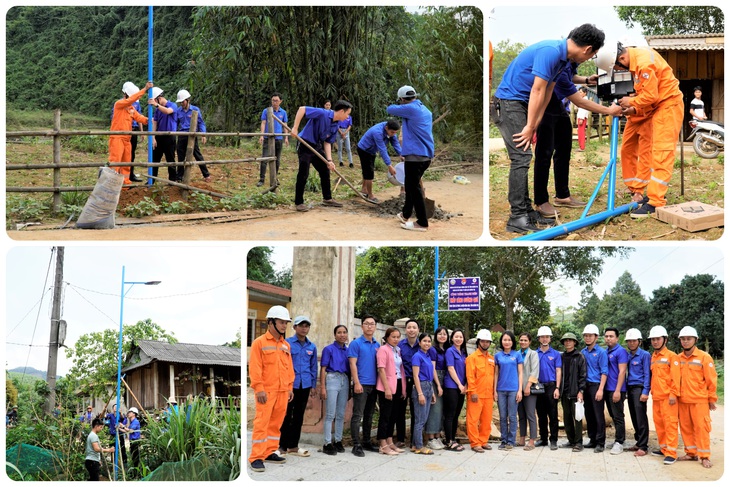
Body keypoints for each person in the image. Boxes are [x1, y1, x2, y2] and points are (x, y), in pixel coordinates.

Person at [493, 24, 606, 233]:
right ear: (587, 49)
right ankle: (517, 216)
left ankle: (526, 211)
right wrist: (528, 126)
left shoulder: (563, 59)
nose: (588, 59)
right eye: (592, 56)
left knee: (524, 156)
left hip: (522, 103)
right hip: (509, 101)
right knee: (521, 157)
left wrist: (534, 124)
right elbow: (536, 89)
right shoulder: (551, 51)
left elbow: (547, 91)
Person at [596, 40, 684, 217]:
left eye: (618, 68)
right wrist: (635, 108)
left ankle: (656, 202)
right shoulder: (638, 59)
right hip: (658, 106)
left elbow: (651, 96)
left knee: (662, 152)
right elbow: (649, 92)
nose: (620, 72)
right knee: (646, 151)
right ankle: (650, 195)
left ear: (621, 58)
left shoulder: (644, 63)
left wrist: (632, 101)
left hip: (668, 106)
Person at [533, 64, 623, 217]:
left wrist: (587, 79)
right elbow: (579, 101)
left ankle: (562, 195)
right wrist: (609, 110)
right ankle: (541, 201)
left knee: (564, 149)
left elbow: (571, 77)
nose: (589, 59)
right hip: (544, 103)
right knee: (544, 153)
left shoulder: (571, 62)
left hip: (557, 104)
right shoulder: (560, 63)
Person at [248, 305, 294, 473]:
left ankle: (269, 452)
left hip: (282, 391)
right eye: (281, 322)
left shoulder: (285, 345)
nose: (284, 326)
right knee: (262, 423)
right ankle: (256, 457)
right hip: (266, 392)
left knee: (276, 424)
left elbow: (289, 368)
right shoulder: (259, 343)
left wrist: (289, 387)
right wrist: (258, 388)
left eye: (286, 323)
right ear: (271, 322)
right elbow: (255, 368)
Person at [387, 85, 435, 232]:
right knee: (411, 185)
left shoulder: (411, 108)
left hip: (416, 156)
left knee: (413, 188)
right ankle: (405, 214)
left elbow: (390, 109)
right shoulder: (425, 109)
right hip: (425, 155)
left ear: (402, 99)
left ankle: (422, 222)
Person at [290, 100, 353, 212]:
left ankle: (327, 198)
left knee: (325, 169)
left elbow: (328, 142)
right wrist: (295, 128)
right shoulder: (323, 113)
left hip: (317, 146)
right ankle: (299, 202)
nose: (348, 117)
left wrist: (329, 160)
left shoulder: (335, 124)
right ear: (342, 111)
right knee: (304, 173)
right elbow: (302, 109)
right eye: (347, 114)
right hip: (305, 143)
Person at [677, 326, 717, 469]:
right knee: (686, 428)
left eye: (689, 339)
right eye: (683, 339)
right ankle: (691, 452)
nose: (686, 342)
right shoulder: (678, 358)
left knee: (701, 428)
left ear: (695, 340)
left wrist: (712, 398)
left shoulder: (704, 357)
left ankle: (704, 456)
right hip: (683, 400)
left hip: (699, 400)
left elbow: (711, 379)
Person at [279, 315, 318, 457]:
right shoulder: (287, 343)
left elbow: (314, 367)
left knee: (299, 416)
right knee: (286, 415)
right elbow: (283, 365)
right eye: (301, 325)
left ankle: (293, 446)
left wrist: (313, 385)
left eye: (306, 326)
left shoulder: (311, 346)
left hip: (305, 385)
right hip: (290, 386)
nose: (304, 328)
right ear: (295, 327)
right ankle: (282, 446)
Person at [347, 314, 380, 456]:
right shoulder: (356, 344)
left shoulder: (377, 344)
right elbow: (352, 364)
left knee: (369, 415)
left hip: (374, 385)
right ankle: (356, 444)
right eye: (367, 324)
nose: (369, 326)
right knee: (357, 415)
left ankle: (366, 441)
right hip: (361, 384)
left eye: (372, 324)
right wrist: (356, 382)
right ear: (362, 326)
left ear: (375, 327)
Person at [648, 325, 680, 465]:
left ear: (665, 340)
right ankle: (664, 448)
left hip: (668, 398)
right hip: (657, 397)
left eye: (658, 339)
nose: (655, 342)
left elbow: (676, 377)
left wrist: (673, 394)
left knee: (670, 424)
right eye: (653, 339)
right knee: (659, 424)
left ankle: (672, 453)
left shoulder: (672, 356)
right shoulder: (653, 357)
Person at [109, 81, 152, 185]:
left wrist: (150, 120)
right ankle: (112, 184)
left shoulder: (131, 108)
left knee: (126, 163)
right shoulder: (119, 104)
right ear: (126, 94)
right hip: (117, 138)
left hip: (127, 139)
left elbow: (139, 117)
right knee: (115, 161)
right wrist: (144, 89)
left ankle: (125, 183)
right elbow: (132, 99)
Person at [375, 327, 407, 455]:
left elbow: (401, 370)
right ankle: (382, 444)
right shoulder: (383, 350)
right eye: (393, 337)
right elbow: (381, 369)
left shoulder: (397, 350)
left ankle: (389, 441)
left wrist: (403, 388)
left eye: (398, 337)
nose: (396, 339)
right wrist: (387, 388)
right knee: (385, 415)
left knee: (394, 415)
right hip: (386, 386)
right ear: (387, 337)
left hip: (398, 384)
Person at [320, 324, 350, 455]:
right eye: (339, 332)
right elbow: (323, 369)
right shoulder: (329, 349)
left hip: (345, 380)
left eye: (344, 332)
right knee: (330, 414)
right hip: (332, 379)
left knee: (340, 414)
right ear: (335, 335)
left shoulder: (348, 351)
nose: (342, 335)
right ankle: (327, 443)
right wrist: (323, 387)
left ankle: (338, 440)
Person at [465, 329, 496, 453]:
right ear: (478, 342)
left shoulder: (491, 359)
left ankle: (483, 441)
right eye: (483, 341)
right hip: (476, 394)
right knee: (473, 419)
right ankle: (475, 443)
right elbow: (470, 376)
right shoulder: (472, 358)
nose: (485, 343)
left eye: (487, 341)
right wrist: (472, 392)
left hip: (488, 395)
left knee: (486, 420)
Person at [356, 120, 402, 202]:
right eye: (392, 132)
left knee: (368, 170)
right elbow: (382, 149)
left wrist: (401, 154)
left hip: (372, 150)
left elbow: (395, 143)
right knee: (369, 172)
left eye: (395, 132)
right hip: (364, 149)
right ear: (386, 128)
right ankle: (370, 195)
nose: (393, 134)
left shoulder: (391, 130)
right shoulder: (377, 132)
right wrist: (389, 166)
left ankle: (364, 189)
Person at [173, 89, 212, 183]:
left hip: (192, 136)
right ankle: (179, 177)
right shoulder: (178, 111)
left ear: (188, 100)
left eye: (183, 101)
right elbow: (175, 124)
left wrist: (203, 134)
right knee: (181, 157)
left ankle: (206, 174)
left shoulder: (195, 110)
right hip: (182, 135)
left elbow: (201, 123)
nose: (181, 103)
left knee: (197, 155)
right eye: (180, 102)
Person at [581, 323, 608, 453]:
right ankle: (592, 439)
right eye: (585, 336)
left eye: (590, 335)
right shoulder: (583, 352)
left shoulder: (602, 352)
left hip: (596, 386)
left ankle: (600, 442)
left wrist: (601, 389)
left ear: (596, 337)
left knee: (598, 415)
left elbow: (604, 372)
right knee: (589, 414)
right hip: (585, 386)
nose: (587, 338)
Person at [494, 331, 524, 450]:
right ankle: (503, 440)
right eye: (504, 340)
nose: (507, 342)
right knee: (502, 416)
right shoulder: (497, 356)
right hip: (501, 390)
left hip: (513, 390)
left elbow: (521, 373)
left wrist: (519, 390)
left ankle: (511, 441)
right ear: (501, 341)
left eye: (509, 340)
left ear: (512, 342)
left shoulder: (517, 355)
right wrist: (494, 390)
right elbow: (495, 374)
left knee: (512, 416)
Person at [624, 328, 651, 457]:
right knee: (634, 416)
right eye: (629, 341)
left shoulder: (645, 355)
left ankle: (643, 446)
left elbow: (647, 374)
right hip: (630, 388)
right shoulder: (627, 355)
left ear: (639, 342)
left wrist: (645, 391)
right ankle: (638, 441)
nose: (631, 343)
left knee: (641, 417)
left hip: (639, 388)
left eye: (634, 341)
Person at [559, 332, 586, 452]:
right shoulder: (562, 356)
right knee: (567, 417)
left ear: (575, 342)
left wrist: (581, 390)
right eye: (565, 340)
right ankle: (571, 440)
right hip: (564, 392)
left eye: (570, 340)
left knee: (578, 418)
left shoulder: (579, 356)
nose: (568, 342)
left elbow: (583, 375)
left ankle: (579, 442)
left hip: (576, 392)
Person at [535, 325, 561, 450]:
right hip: (538, 386)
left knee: (553, 414)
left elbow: (558, 371)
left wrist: (557, 388)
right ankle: (543, 438)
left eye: (547, 337)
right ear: (539, 339)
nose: (544, 339)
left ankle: (554, 440)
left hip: (551, 386)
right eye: (542, 337)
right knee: (541, 414)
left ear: (550, 338)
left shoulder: (555, 354)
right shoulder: (535, 354)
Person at [603, 326, 628, 455]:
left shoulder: (621, 351)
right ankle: (618, 439)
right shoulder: (606, 351)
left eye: (611, 336)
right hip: (607, 389)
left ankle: (619, 442)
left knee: (618, 416)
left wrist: (618, 390)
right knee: (613, 415)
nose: (608, 338)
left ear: (617, 338)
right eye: (606, 336)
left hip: (616, 389)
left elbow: (622, 371)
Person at [396, 319, 421, 448]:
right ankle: (400, 438)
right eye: (409, 327)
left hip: (417, 381)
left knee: (415, 410)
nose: (411, 330)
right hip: (403, 381)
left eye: (414, 327)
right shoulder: (399, 345)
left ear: (418, 330)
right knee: (400, 410)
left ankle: (414, 440)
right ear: (405, 330)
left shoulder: (422, 346)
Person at [411, 333, 437, 455]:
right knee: (420, 419)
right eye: (424, 341)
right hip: (421, 387)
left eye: (429, 341)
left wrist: (431, 392)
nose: (427, 343)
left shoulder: (427, 356)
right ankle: (419, 446)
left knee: (423, 418)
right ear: (419, 342)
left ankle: (415, 444)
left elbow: (431, 375)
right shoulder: (417, 356)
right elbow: (415, 376)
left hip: (428, 386)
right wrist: (420, 393)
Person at [443, 329, 468, 452]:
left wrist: (465, 385)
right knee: (450, 415)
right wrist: (459, 384)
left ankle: (452, 438)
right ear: (452, 338)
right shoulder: (450, 351)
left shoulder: (463, 353)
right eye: (456, 337)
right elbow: (451, 368)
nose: (458, 339)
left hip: (462, 387)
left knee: (456, 415)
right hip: (452, 386)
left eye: (461, 337)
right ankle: (448, 441)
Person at [258, 92, 289, 186]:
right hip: (268, 138)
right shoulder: (266, 111)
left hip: (278, 138)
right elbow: (263, 123)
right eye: (273, 100)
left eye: (276, 100)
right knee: (264, 158)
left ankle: (275, 178)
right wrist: (262, 135)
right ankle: (261, 179)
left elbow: (285, 125)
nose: (274, 102)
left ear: (280, 101)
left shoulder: (283, 112)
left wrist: (286, 137)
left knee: (277, 159)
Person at [149, 87, 179, 182]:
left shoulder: (172, 105)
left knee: (170, 158)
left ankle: (172, 180)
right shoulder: (157, 110)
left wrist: (156, 105)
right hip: (159, 137)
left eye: (155, 100)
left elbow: (168, 111)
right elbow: (155, 122)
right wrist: (153, 137)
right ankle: (152, 179)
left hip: (169, 137)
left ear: (159, 98)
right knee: (155, 159)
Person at [424, 326, 447, 450]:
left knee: (441, 410)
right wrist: (438, 385)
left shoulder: (446, 349)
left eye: (444, 334)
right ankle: (431, 437)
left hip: (445, 379)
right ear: (436, 336)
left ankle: (438, 436)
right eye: (440, 334)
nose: (442, 336)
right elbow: (432, 369)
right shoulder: (433, 350)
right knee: (435, 409)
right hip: (436, 378)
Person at [517, 332, 540, 450]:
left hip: (529, 390)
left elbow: (535, 371)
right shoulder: (516, 354)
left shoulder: (533, 354)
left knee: (530, 414)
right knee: (521, 415)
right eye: (521, 340)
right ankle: (522, 438)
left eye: (525, 340)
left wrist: (528, 386)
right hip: (518, 390)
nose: (523, 342)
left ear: (529, 342)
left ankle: (532, 440)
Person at [118, 407, 141, 472]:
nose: (128, 414)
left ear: (134, 414)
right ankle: (135, 472)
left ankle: (137, 473)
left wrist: (123, 426)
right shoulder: (132, 422)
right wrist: (119, 428)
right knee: (133, 457)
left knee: (136, 457)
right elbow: (126, 430)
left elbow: (130, 431)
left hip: (135, 441)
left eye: (130, 412)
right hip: (132, 441)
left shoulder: (136, 421)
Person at [575, 87, 590, 151]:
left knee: (581, 132)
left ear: (585, 93)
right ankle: (581, 146)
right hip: (581, 117)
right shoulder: (583, 99)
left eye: (581, 92)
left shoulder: (585, 100)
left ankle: (582, 147)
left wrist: (581, 118)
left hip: (582, 118)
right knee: (580, 131)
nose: (579, 93)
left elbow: (584, 110)